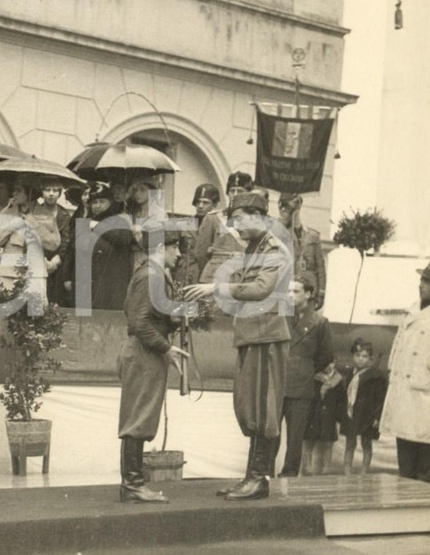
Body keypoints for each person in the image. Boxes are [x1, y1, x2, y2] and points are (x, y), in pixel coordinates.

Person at [184, 191, 292, 500]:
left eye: (240, 219)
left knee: (262, 410)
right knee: (249, 408)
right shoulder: (255, 248)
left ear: (258, 217)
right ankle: (251, 477)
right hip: (252, 335)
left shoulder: (274, 249)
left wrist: (215, 288)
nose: (236, 227)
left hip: (266, 337)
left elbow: (260, 288)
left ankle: (258, 478)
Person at [117, 228, 188, 503]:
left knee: (141, 418)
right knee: (138, 419)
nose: (179, 254)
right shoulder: (151, 276)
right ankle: (133, 484)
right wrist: (166, 347)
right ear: (161, 249)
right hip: (144, 353)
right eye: (174, 247)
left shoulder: (154, 274)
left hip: (147, 353)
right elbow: (139, 322)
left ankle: (133, 484)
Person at [270, 276, 335, 478]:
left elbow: (326, 355)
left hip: (301, 387)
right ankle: (264, 475)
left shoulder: (320, 322)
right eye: (288, 291)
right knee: (270, 433)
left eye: (296, 291)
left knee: (295, 437)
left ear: (308, 294)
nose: (290, 295)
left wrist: (305, 369)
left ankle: (288, 476)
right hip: (277, 383)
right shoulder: (280, 317)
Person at [379, 258, 430, 483]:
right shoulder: (411, 312)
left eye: (429, 282)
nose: (422, 285)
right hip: (405, 401)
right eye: (422, 280)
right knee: (405, 471)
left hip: (427, 404)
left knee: (425, 473)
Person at [0, 178, 59, 305]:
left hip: (35, 274)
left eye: (18, 190)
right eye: (14, 190)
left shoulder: (46, 215)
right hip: (9, 274)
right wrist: (11, 226)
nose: (13, 193)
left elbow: (54, 244)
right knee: (5, 312)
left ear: (30, 192)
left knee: (36, 312)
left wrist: (35, 225)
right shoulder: (7, 212)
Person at [62, 181, 133, 310]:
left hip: (108, 283)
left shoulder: (119, 221)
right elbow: (70, 252)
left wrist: (97, 226)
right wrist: (67, 277)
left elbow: (123, 239)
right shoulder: (83, 222)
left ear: (110, 202)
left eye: (102, 202)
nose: (98, 206)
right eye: (94, 202)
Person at [340, 339, 388, 475]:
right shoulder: (350, 374)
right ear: (353, 357)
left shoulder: (376, 376)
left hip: (368, 415)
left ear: (370, 359)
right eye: (357, 355)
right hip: (352, 413)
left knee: (366, 443)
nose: (361, 359)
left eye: (364, 356)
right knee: (350, 443)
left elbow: (380, 399)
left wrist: (377, 417)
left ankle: (363, 473)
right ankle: (347, 472)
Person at [194, 172, 252, 284]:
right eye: (232, 191)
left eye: (240, 191)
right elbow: (200, 254)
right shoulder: (213, 218)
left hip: (242, 277)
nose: (235, 195)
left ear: (248, 194)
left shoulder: (256, 221)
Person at [277, 193, 327, 310]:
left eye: (289, 208)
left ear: (299, 208)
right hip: (286, 291)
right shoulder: (278, 234)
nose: (285, 212)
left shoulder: (312, 236)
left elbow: (320, 267)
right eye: (283, 209)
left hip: (307, 292)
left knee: (307, 320)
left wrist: (321, 292)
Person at [302, 363, 346, 475]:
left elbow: (341, 399)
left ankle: (327, 467)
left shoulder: (338, 380)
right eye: (326, 363)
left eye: (331, 363)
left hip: (329, 415)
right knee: (309, 441)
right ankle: (307, 466)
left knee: (328, 442)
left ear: (335, 362)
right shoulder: (314, 377)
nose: (329, 366)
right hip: (314, 413)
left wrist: (339, 415)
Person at [179, 183, 221, 284]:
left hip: (208, 276)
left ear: (214, 205)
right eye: (198, 202)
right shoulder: (185, 224)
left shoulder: (219, 226)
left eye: (205, 203)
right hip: (186, 275)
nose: (200, 206)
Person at [39, 179, 72, 306]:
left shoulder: (65, 215)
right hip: (39, 260)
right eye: (47, 190)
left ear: (59, 193)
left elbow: (66, 240)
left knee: (55, 299)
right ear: (42, 192)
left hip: (57, 264)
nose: (51, 194)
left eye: (55, 190)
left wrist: (57, 259)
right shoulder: (35, 211)